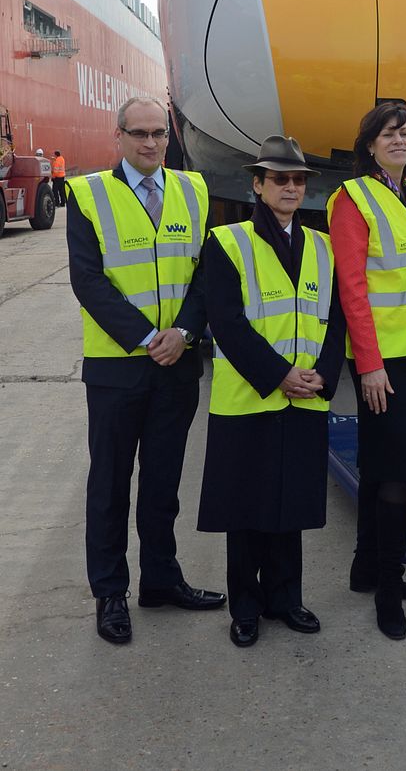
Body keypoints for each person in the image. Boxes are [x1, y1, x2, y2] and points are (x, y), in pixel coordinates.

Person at [66, 96, 225, 646]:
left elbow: (206, 273)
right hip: (116, 369)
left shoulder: (193, 189)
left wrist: (182, 334)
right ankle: (110, 592)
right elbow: (88, 282)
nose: (151, 143)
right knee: (109, 484)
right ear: (119, 136)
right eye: (139, 133)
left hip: (176, 364)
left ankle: (160, 579)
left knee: (162, 482)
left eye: (159, 133)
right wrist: (145, 337)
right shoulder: (88, 195)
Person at [197, 135, 346, 648]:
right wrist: (280, 374)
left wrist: (323, 375)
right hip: (249, 398)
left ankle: (286, 598)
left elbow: (338, 321)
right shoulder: (227, 242)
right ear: (257, 185)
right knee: (245, 509)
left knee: (290, 505)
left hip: (306, 395)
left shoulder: (324, 246)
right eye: (279, 178)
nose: (290, 187)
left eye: (298, 179)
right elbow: (228, 324)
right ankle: (245, 606)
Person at [328, 102, 406, 640]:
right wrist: (371, 365)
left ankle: (364, 568)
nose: (398, 140)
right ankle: (388, 587)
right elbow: (352, 288)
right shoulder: (353, 199)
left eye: (405, 132)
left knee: (381, 465)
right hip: (379, 360)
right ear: (370, 145)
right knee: (402, 473)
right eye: (387, 134)